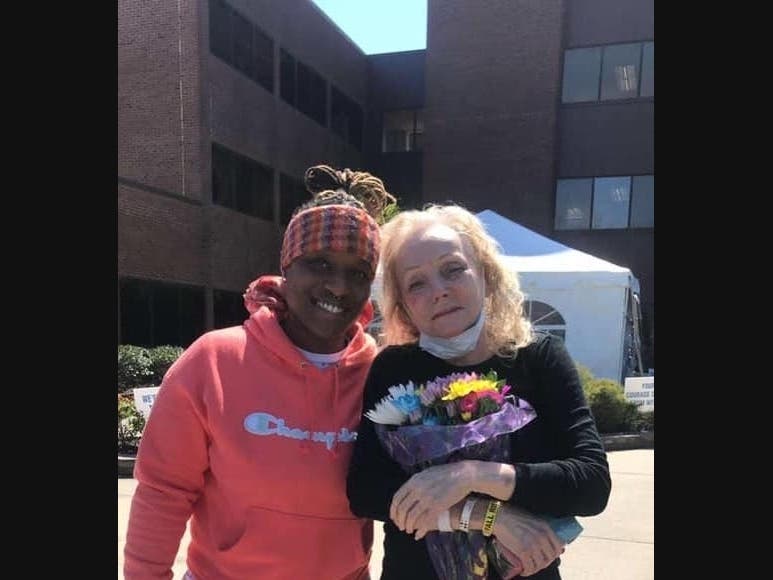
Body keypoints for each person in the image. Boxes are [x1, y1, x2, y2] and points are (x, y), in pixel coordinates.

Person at [124, 165, 395, 580]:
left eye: (357, 272)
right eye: (320, 263)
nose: (339, 286)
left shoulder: (379, 374)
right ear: (288, 267)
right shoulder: (214, 360)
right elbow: (164, 491)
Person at [346, 204, 611, 579]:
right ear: (402, 305)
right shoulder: (394, 369)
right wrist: (488, 516)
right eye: (417, 283)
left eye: (452, 269)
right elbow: (366, 490)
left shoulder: (538, 359)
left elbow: (591, 484)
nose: (439, 291)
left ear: (486, 273)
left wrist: (471, 474)